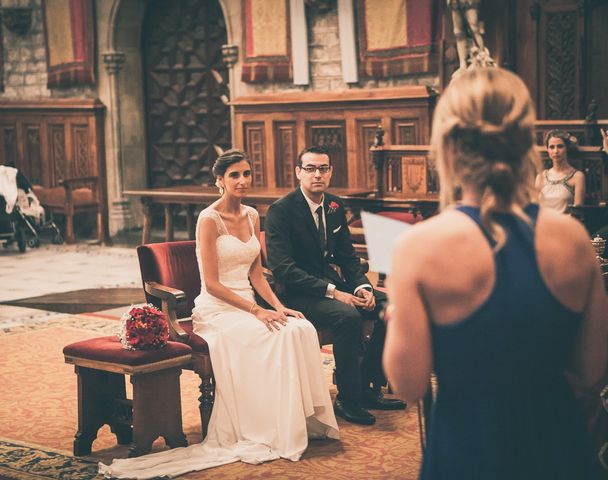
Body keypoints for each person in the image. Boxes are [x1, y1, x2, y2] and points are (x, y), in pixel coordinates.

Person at [382, 67, 607, 479]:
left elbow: (408, 386)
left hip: (467, 449)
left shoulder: (417, 247)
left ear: (446, 146)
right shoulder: (573, 239)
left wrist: (398, 313)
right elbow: (592, 371)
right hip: (556, 447)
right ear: (525, 141)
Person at [99, 150, 339, 479]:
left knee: (300, 328)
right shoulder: (208, 220)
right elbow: (211, 284)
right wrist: (257, 311)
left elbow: (256, 274)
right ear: (219, 181)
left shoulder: (254, 215)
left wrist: (277, 307)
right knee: (273, 338)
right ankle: (266, 427)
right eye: (234, 175)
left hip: (251, 303)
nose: (242, 181)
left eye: (246, 174)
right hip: (218, 310)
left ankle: (295, 421)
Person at [264, 146, 406, 427]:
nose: (317, 174)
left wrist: (362, 288)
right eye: (310, 168)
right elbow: (284, 268)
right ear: (298, 173)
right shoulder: (281, 210)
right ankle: (348, 399)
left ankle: (368, 386)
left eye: (323, 168)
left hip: (332, 285)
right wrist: (334, 293)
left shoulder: (334, 205)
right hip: (297, 293)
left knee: (390, 307)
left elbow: (348, 257)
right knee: (348, 316)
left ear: (330, 172)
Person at [535, 129, 585, 213]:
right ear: (547, 150)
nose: (556, 151)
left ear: (567, 148)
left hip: (565, 224)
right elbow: (534, 209)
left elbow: (577, 213)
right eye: (552, 147)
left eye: (560, 146)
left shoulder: (577, 176)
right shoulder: (540, 177)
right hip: (542, 223)